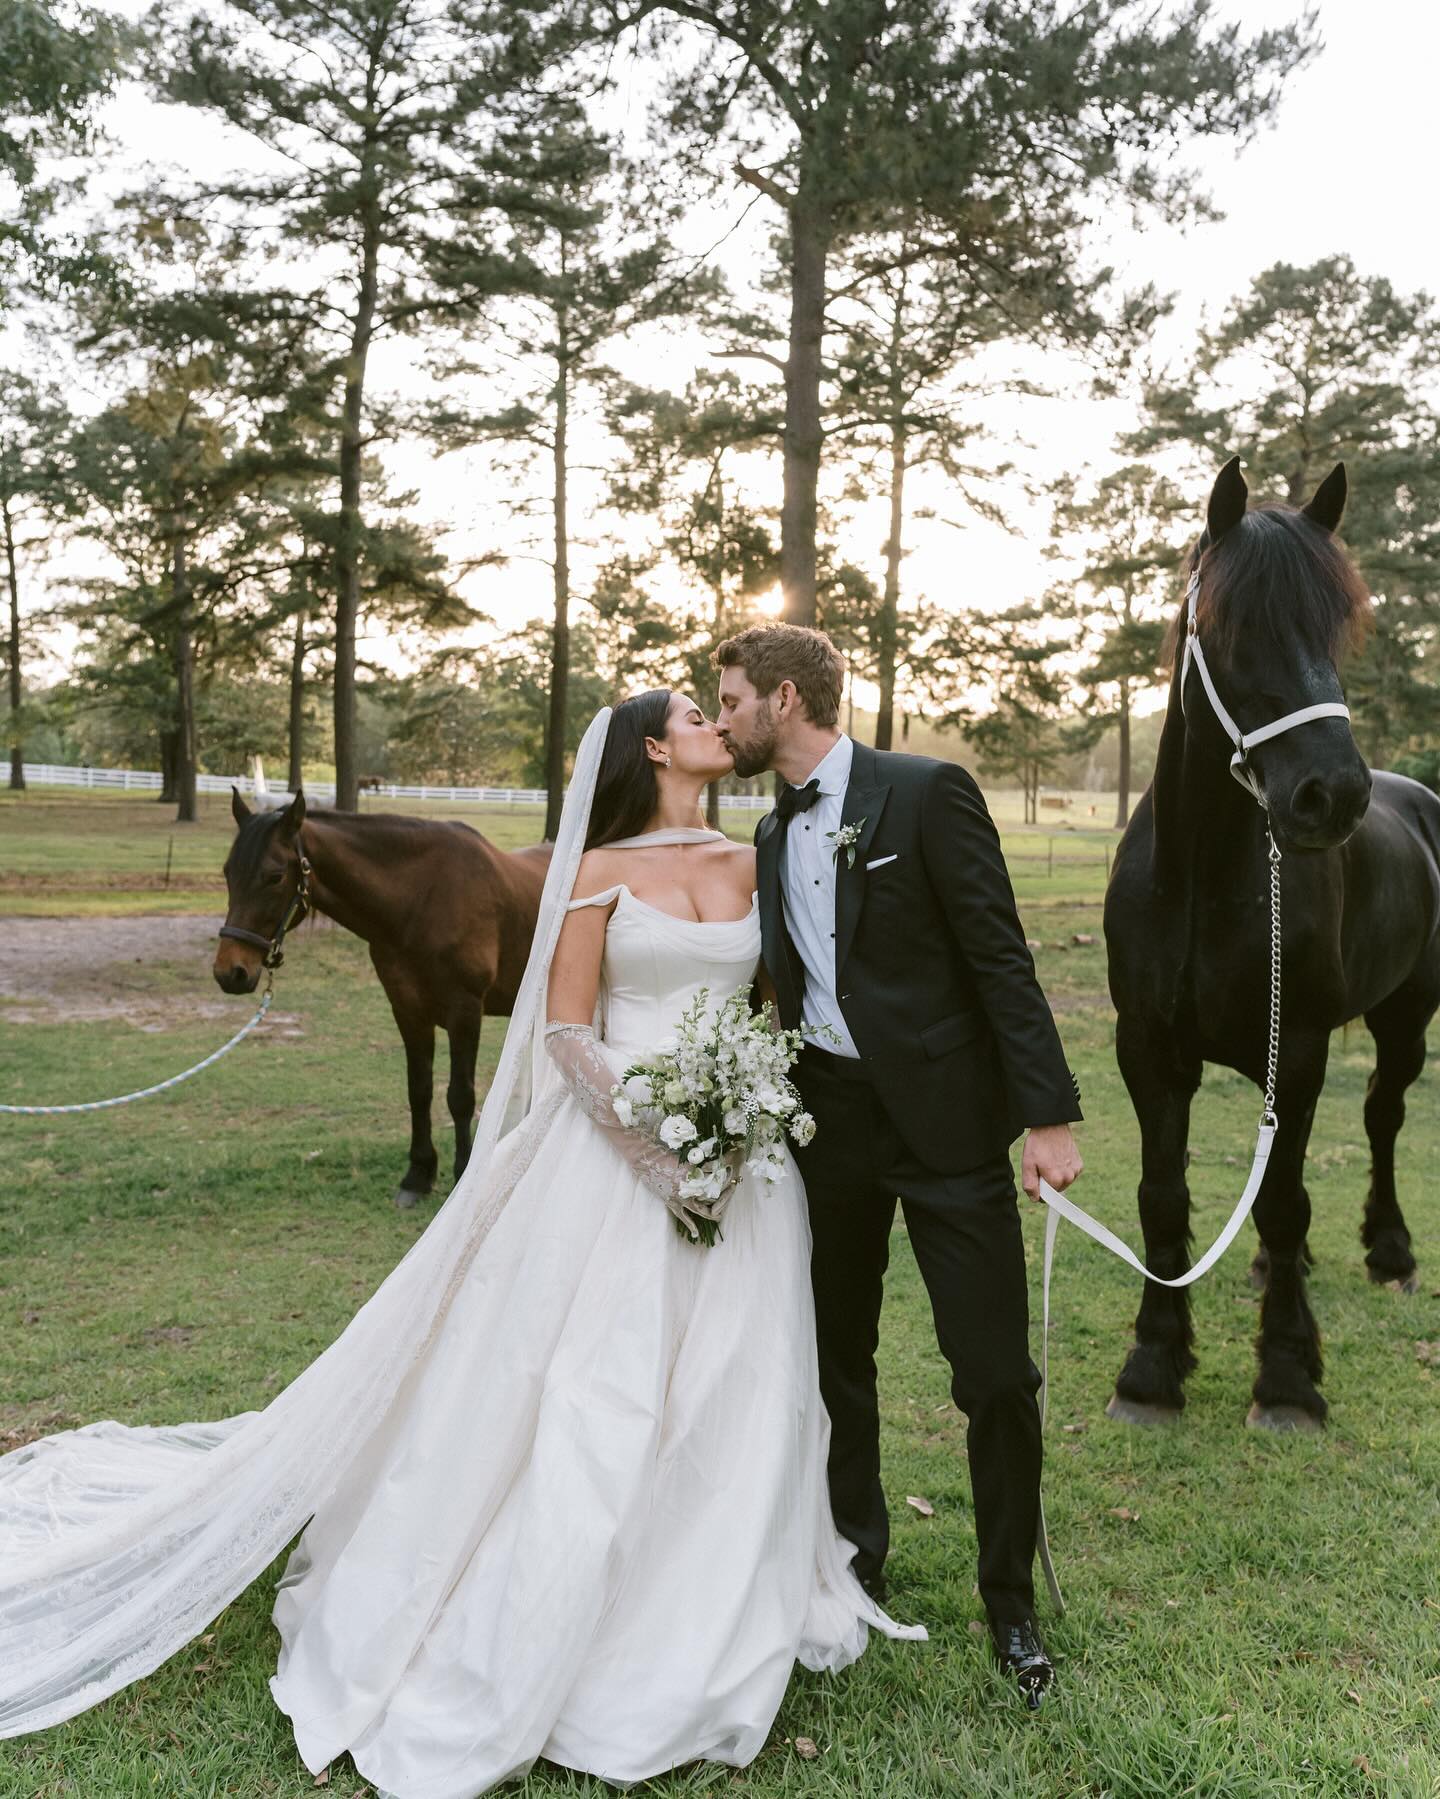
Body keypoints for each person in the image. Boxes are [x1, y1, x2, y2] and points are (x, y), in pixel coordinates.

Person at [0, 691, 922, 1795]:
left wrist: (742, 1114)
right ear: (650, 746)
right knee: (590, 1389)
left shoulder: (752, 856)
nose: (718, 722)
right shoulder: (592, 869)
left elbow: (779, 1001)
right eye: (694, 712)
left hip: (746, 1171)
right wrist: (656, 1152)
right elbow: (570, 1030)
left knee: (744, 1378)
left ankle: (719, 1581)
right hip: (617, 1155)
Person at [715, 622, 1084, 1710]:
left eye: (732, 697)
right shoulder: (772, 834)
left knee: (997, 1377)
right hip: (826, 1128)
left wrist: (1047, 1117)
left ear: (785, 699)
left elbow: (998, 955)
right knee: (837, 1358)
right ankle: (855, 1560)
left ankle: (1008, 1601)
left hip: (949, 1130)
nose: (723, 714)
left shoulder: (925, 793)